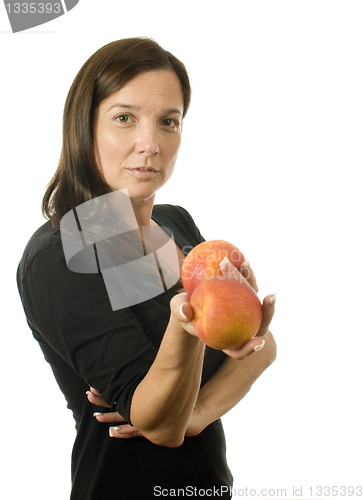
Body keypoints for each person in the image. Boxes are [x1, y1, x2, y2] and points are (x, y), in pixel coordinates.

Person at [17, 37, 277, 499]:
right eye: (124, 118)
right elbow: (157, 421)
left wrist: (195, 413)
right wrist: (193, 324)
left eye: (168, 122)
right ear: (84, 126)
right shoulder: (66, 251)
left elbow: (260, 344)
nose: (150, 144)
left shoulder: (173, 224)